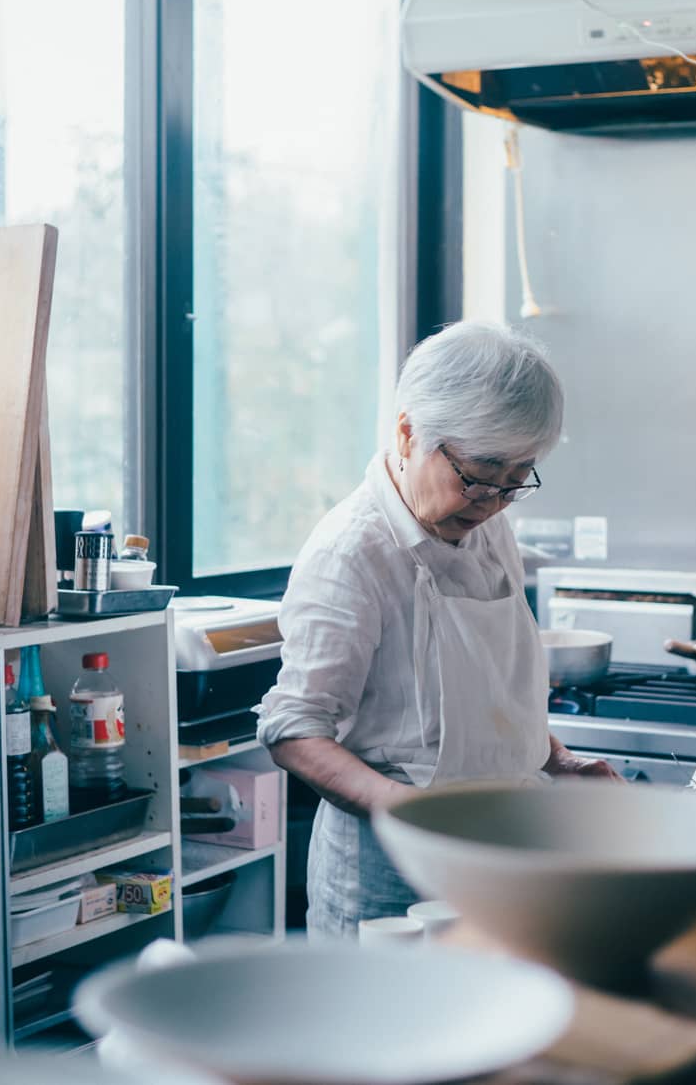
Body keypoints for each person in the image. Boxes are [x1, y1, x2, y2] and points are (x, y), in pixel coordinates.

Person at [257, 320, 616, 938]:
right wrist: (413, 812)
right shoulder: (353, 554)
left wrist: (556, 759)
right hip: (392, 876)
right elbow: (292, 731)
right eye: (478, 476)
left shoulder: (489, 523)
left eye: (517, 480)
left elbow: (487, 688)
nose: (493, 501)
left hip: (503, 853)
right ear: (408, 433)